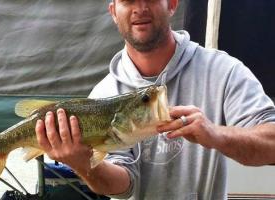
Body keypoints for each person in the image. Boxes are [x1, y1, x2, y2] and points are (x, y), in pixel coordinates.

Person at [35, 0, 275, 199]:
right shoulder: (102, 94)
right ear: (114, 12)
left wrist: (215, 134)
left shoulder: (224, 71)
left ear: (171, 4)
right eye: (128, 0)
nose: (140, 8)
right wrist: (83, 165)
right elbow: (123, 186)